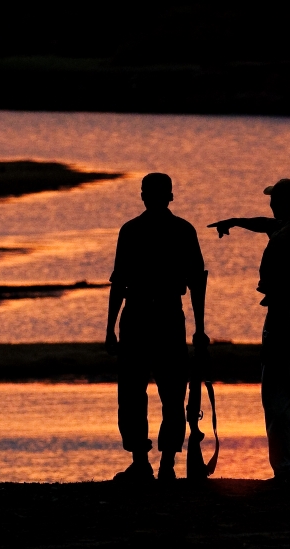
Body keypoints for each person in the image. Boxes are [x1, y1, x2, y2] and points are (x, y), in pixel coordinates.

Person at [208, 178, 290, 480]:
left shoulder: (280, 241)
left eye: (274, 200)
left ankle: (285, 467)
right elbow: (267, 224)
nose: (269, 205)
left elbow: (267, 284)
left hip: (284, 316)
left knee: (277, 395)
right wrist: (236, 221)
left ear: (282, 203)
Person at [106, 172, 207, 482]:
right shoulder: (182, 230)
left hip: (141, 316)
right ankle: (162, 464)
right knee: (171, 392)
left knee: (137, 392)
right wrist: (199, 327)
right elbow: (196, 283)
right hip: (163, 316)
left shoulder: (132, 230)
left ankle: (146, 462)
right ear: (170, 197)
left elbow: (118, 283)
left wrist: (109, 328)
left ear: (144, 196)